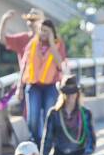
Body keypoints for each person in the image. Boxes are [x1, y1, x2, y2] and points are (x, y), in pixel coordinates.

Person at [40, 77, 95, 155]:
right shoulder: (54, 113)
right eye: (67, 93)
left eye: (73, 93)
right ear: (62, 94)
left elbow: (91, 139)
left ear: (78, 94)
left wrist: (86, 154)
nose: (70, 96)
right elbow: (47, 140)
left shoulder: (85, 113)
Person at [17, 17, 68, 148]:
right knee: (32, 119)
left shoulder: (58, 44)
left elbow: (60, 64)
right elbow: (24, 66)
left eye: (46, 31)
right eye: (41, 30)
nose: (43, 33)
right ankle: (37, 143)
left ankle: (46, 144)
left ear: (52, 32)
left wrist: (51, 43)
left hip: (50, 87)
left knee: (48, 117)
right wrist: (19, 87)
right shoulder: (32, 44)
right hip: (33, 86)